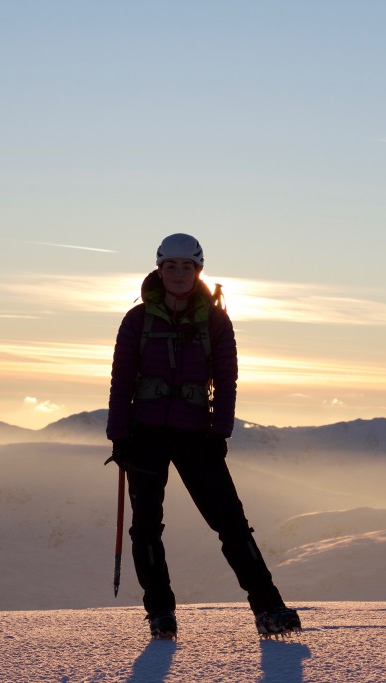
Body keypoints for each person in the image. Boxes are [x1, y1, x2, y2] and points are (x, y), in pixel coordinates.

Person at [106, 233, 301, 640]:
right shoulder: (136, 320)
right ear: (159, 269)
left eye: (187, 267)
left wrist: (220, 432)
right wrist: (118, 436)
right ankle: (161, 614)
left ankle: (269, 608)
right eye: (170, 267)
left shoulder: (215, 321)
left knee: (231, 524)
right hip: (144, 435)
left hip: (197, 436)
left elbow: (227, 381)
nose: (178, 274)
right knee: (146, 528)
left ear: (199, 270)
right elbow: (121, 380)